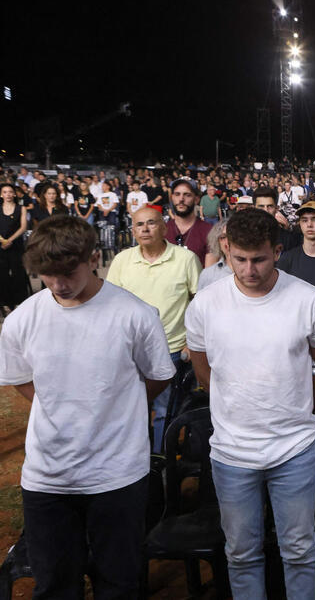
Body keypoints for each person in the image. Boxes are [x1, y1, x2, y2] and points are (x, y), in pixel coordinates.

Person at [0, 215, 175, 597]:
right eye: (48, 275)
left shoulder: (135, 315)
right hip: (48, 477)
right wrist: (60, 399)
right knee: (55, 584)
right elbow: (19, 378)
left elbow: (160, 374)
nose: (59, 284)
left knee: (118, 583)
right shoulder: (22, 321)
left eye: (68, 272)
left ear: (94, 257)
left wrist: (117, 404)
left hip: (117, 474)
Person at [186, 209, 315, 598]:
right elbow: (204, 371)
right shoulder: (205, 304)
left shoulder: (308, 300)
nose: (249, 269)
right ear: (226, 248)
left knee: (300, 550)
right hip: (231, 452)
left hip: (295, 449)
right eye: (240, 259)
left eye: (259, 259)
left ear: (276, 251)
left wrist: (298, 410)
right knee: (240, 553)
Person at [106, 205, 201, 450]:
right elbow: (109, 305)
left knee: (164, 411)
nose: (145, 229)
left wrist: (191, 341)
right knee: (132, 410)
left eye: (151, 223)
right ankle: (137, 458)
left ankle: (161, 461)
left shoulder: (185, 259)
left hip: (170, 349)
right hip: (129, 351)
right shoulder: (121, 260)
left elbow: (199, 304)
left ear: (163, 226)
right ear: (133, 231)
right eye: (139, 224)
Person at [166, 179, 213, 265]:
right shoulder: (162, 230)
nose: (181, 199)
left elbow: (209, 274)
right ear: (172, 198)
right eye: (177, 194)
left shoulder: (209, 231)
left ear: (196, 199)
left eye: (187, 195)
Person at [0, 182, 30, 313]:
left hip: (16, 245)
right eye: (5, 192)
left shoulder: (21, 208)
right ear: (1, 194)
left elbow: (23, 227)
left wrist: (10, 240)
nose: (8, 194)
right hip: (1, 246)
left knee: (18, 273)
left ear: (14, 194)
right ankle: (5, 303)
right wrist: (2, 241)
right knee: (2, 274)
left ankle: (20, 302)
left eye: (10, 192)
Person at [197, 219, 233, 291]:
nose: (227, 242)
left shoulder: (252, 270)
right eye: (223, 237)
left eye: (231, 236)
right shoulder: (208, 274)